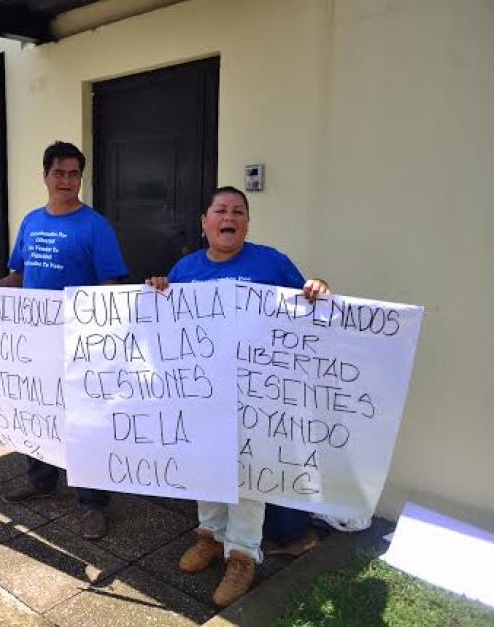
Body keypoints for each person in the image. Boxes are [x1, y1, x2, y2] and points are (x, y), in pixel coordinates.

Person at [146, 186, 330, 608]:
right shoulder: (186, 268)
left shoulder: (271, 262)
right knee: (204, 465)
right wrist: (158, 287)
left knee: (247, 475)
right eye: (221, 210)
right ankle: (209, 538)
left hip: (255, 394)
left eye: (239, 211)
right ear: (205, 222)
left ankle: (242, 557)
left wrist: (318, 287)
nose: (229, 217)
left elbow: (308, 305)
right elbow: (167, 324)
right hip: (202, 391)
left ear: (247, 223)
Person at [0, 141, 128, 540]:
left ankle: (92, 503)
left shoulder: (95, 226)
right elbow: (18, 276)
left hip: (79, 344)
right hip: (36, 342)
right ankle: (40, 478)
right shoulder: (31, 222)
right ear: (45, 175)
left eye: (74, 173)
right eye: (59, 172)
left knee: (83, 422)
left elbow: (110, 285)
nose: (67, 180)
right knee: (37, 408)